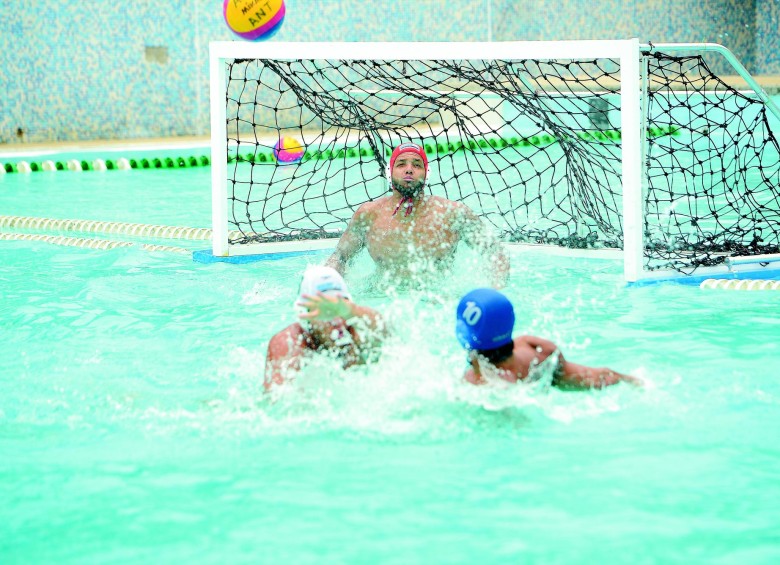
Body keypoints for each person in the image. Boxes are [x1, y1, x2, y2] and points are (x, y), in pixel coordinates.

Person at [325, 142, 509, 289]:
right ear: (390, 172)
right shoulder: (369, 215)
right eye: (401, 164)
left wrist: (495, 291)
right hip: (381, 298)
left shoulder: (453, 214)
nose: (409, 169)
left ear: (426, 173)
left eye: (417, 165)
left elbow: (494, 252)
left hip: (438, 301)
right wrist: (329, 289)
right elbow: (340, 257)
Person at [455, 288, 642, 390]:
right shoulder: (531, 347)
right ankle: (633, 380)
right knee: (589, 377)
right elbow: (548, 348)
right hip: (541, 362)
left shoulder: (478, 379)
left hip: (511, 391)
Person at [264, 266, 386, 391]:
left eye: (339, 310)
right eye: (325, 312)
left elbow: (387, 334)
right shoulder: (291, 343)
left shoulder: (357, 331)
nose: (335, 320)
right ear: (306, 314)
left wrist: (351, 311)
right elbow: (276, 399)